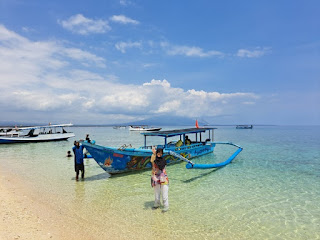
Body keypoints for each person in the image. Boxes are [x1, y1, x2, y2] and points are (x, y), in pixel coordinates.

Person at [150, 146, 169, 212]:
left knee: (164, 193)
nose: (159, 154)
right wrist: (154, 153)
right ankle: (156, 204)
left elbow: (161, 166)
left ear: (162, 153)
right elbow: (152, 160)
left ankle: (166, 206)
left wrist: (155, 154)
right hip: (156, 178)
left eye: (161, 153)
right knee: (156, 193)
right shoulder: (154, 159)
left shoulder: (163, 160)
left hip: (163, 178)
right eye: (158, 152)